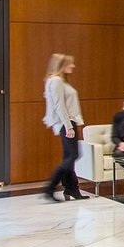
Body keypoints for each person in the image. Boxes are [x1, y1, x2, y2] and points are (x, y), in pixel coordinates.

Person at [41, 53, 86, 201]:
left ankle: (71, 189)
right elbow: (59, 105)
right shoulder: (56, 81)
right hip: (65, 122)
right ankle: (50, 187)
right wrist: (68, 126)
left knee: (69, 156)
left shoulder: (60, 81)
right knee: (73, 155)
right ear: (62, 66)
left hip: (67, 122)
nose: (73, 66)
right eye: (70, 64)